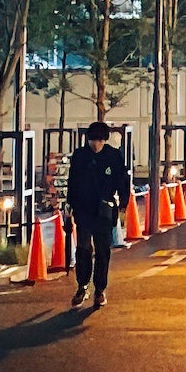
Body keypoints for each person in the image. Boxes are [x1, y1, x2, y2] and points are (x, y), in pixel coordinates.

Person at [64, 120, 132, 311]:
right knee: (83, 248)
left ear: (105, 140)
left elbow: (122, 181)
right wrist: (68, 205)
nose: (95, 144)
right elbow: (73, 181)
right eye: (92, 140)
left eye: (99, 140)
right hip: (83, 209)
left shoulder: (113, 156)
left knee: (103, 251)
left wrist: (123, 204)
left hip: (104, 210)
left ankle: (100, 289)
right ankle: (82, 286)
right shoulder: (80, 156)